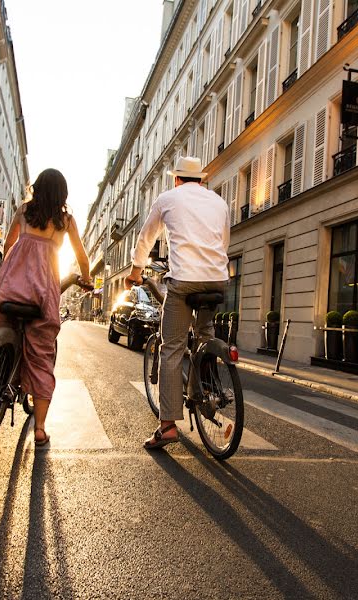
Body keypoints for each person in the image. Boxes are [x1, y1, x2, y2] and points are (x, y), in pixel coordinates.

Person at [125, 156, 230, 450]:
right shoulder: (219, 202)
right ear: (202, 179)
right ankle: (208, 386)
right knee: (205, 333)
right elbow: (223, 244)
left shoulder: (168, 198)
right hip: (216, 280)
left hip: (184, 281)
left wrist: (135, 272)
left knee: (171, 347)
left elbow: (146, 238)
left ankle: (168, 426)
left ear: (176, 179)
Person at [0, 168, 91, 446]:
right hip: (40, 295)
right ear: (62, 194)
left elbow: (9, 245)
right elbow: (81, 255)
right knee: (42, 356)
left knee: (1, 329)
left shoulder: (23, 211)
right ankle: (41, 428)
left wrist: (12, 268)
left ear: (37, 187)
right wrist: (88, 278)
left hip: (10, 289)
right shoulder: (65, 220)